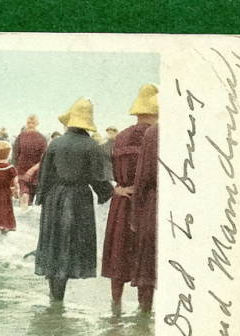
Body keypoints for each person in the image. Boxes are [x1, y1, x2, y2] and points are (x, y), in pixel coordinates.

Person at [34, 98, 113, 301]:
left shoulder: (55, 143)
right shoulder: (91, 146)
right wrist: (110, 192)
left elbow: (44, 175)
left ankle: (55, 295)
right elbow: (98, 178)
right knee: (71, 244)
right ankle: (59, 298)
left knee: (54, 243)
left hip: (54, 198)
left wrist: (42, 198)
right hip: (79, 198)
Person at [102, 84, 159, 310]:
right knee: (144, 260)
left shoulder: (121, 136)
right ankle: (144, 314)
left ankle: (115, 306)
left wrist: (115, 188)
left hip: (122, 202)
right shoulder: (156, 135)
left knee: (118, 255)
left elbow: (106, 170)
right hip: (147, 205)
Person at [130, 122, 159, 313]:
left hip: (155, 201)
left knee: (147, 262)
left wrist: (136, 212)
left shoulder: (154, 132)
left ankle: (144, 314)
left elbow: (143, 176)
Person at [12, 115, 48, 210]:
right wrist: (32, 170)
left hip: (21, 170)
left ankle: (23, 212)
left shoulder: (20, 137)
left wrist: (13, 175)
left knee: (24, 193)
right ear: (37, 124)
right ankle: (28, 218)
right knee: (30, 200)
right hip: (35, 173)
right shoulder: (42, 138)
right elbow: (45, 159)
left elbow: (14, 157)